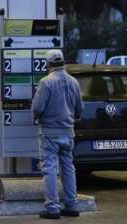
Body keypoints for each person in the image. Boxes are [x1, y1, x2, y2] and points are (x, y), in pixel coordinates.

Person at [32, 49, 84, 220]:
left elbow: (38, 108)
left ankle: (52, 208)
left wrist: (37, 115)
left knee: (50, 169)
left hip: (49, 132)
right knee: (68, 168)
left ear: (48, 64)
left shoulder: (46, 82)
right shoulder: (74, 82)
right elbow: (80, 109)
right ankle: (71, 205)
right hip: (68, 132)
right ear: (63, 61)